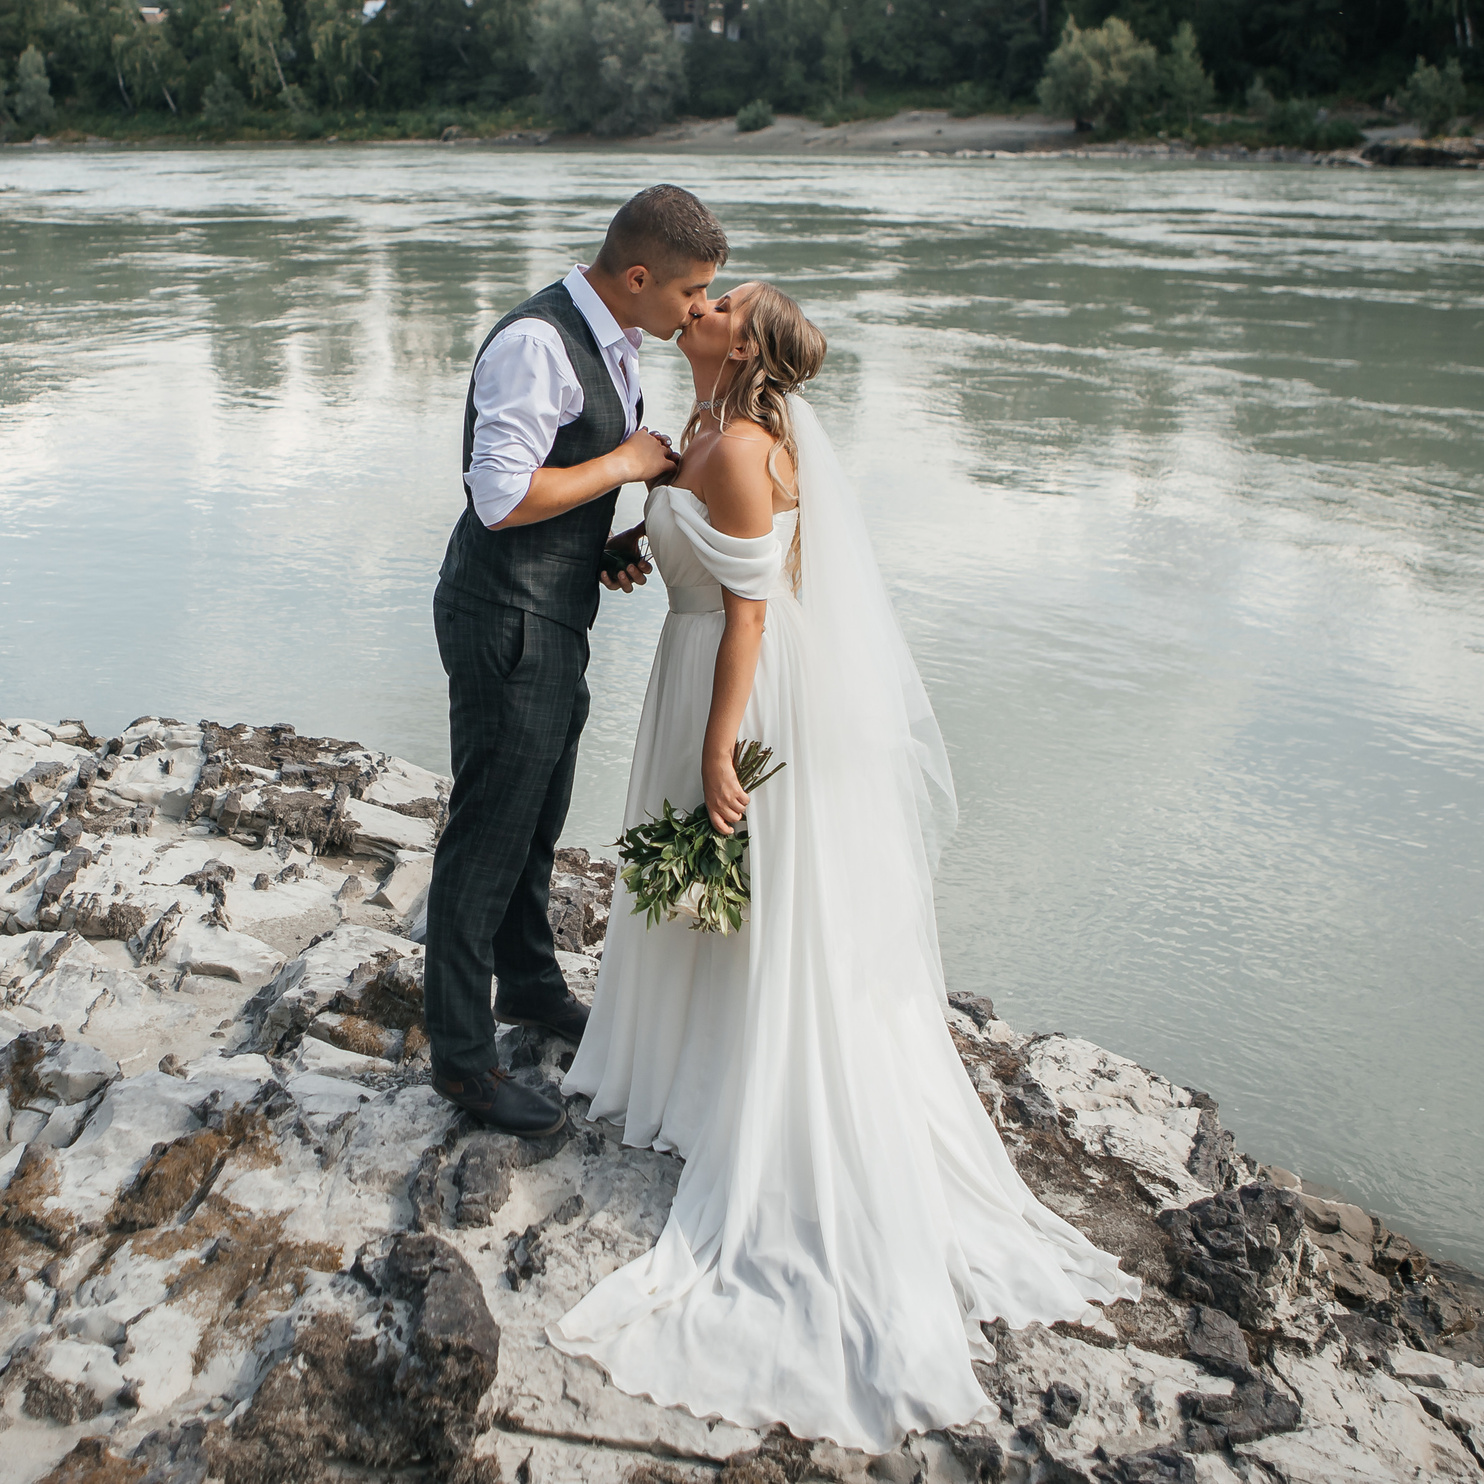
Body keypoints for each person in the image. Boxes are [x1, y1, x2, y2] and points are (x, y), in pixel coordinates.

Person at [551, 282, 1142, 1451]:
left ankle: (745, 1086)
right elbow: (699, 552)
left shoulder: (742, 446)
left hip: (737, 690)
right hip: (691, 667)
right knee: (704, 890)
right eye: (704, 291)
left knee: (745, 885)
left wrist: (717, 747)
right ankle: (690, 1068)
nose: (702, 304)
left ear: (744, 348)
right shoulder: (702, 428)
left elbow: (750, 614)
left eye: (722, 302)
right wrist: (635, 540)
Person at [423, 186, 728, 1137]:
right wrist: (627, 466)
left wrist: (599, 547)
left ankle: (529, 985)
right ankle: (463, 1064)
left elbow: (558, 484)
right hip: (504, 619)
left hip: (552, 612)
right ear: (638, 277)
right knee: (488, 834)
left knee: (537, 817)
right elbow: (499, 497)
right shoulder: (538, 344)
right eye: (691, 292)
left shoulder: (614, 340)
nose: (697, 311)